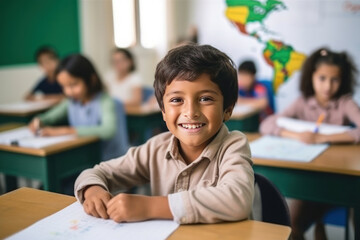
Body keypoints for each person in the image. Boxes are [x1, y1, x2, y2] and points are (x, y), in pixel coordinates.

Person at [74, 44, 254, 224]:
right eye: (177, 100)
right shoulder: (156, 148)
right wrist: (92, 189)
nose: (190, 112)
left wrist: (149, 207)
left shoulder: (233, 146)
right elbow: (97, 172)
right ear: (163, 112)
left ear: (227, 110)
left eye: (205, 99)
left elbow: (237, 199)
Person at [260, 48, 360, 240]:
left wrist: (324, 138)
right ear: (311, 77)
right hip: (309, 179)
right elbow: (267, 124)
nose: (328, 86)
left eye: (335, 80)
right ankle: (318, 226)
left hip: (338, 179)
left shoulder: (345, 103)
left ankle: (320, 225)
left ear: (343, 80)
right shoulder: (302, 102)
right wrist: (296, 135)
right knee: (292, 226)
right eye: (322, 78)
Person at [29, 54, 129, 161]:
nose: (68, 91)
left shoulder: (105, 101)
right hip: (86, 160)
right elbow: (50, 117)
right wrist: (38, 120)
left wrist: (66, 131)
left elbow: (108, 130)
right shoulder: (71, 102)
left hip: (112, 162)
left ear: (91, 79)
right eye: (64, 86)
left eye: (73, 85)